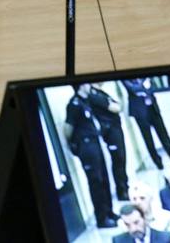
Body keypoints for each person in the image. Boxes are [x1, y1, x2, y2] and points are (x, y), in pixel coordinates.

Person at [66, 83, 118, 228]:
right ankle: (101, 218)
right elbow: (68, 128)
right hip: (86, 145)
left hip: (95, 142)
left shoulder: (86, 100)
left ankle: (109, 212)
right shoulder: (74, 104)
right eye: (87, 84)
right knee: (96, 182)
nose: (90, 86)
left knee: (104, 178)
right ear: (81, 86)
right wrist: (75, 144)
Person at [124, 77, 170, 169]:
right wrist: (144, 86)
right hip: (140, 111)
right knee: (148, 139)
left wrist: (143, 88)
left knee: (164, 135)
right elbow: (133, 89)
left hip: (152, 108)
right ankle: (158, 163)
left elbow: (153, 86)